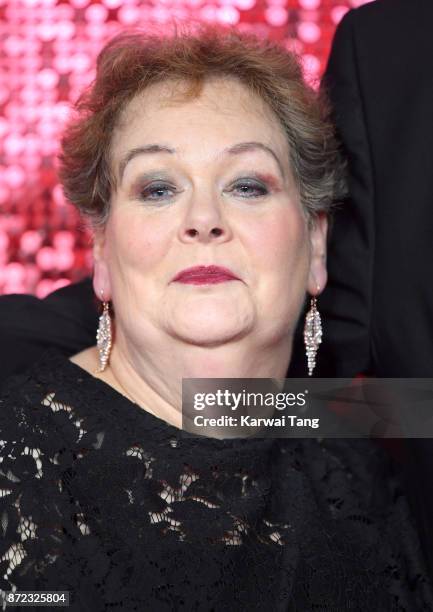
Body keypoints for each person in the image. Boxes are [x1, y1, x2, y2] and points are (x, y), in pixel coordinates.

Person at [0, 25, 431, 611]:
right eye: (157, 189)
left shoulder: (370, 476)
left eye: (248, 185)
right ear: (101, 251)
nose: (203, 218)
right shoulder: (16, 460)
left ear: (317, 246)